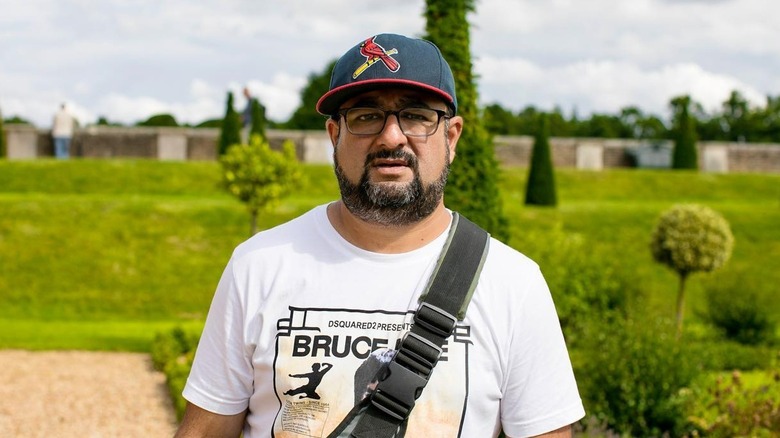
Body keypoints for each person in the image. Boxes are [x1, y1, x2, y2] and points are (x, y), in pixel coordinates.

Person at [176, 33, 585, 438]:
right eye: (366, 116)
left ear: (452, 136)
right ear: (335, 136)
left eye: (417, 115)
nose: (391, 137)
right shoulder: (258, 265)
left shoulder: (514, 284)